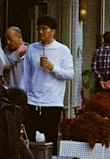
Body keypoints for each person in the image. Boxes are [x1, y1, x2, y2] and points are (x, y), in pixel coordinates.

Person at [21, 15, 74, 149]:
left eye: (44, 29)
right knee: (29, 135)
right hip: (32, 100)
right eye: (39, 29)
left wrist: (53, 67)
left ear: (53, 31)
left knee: (50, 136)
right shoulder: (32, 49)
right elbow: (25, 75)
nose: (40, 32)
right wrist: (22, 97)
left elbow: (70, 74)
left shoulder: (63, 50)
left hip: (52, 100)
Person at [3, 26, 28, 90]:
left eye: (10, 39)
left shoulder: (31, 50)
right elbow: (5, 64)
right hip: (10, 92)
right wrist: (18, 51)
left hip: (27, 93)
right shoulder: (6, 51)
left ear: (19, 37)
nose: (8, 42)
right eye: (6, 39)